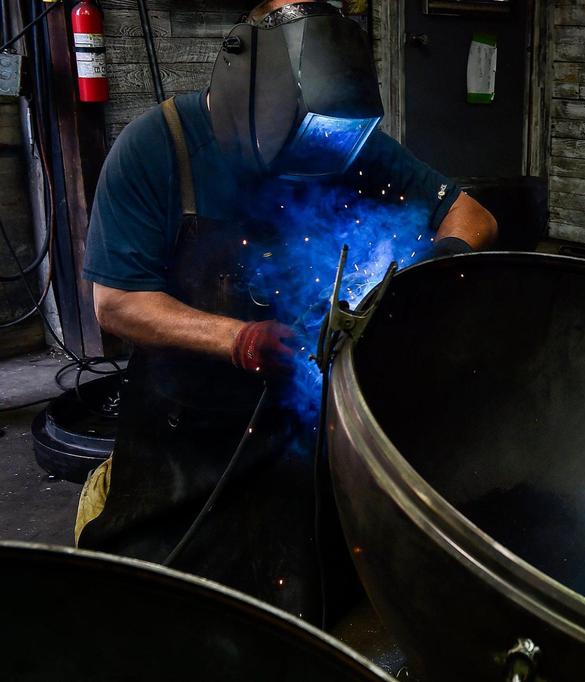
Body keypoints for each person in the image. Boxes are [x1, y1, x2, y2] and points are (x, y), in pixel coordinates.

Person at [74, 0, 496, 624]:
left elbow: (473, 217)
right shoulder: (158, 147)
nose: (314, 167)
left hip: (302, 430)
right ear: (249, 93)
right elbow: (116, 304)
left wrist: (420, 273)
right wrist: (241, 339)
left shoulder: (340, 140)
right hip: (186, 434)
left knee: (335, 580)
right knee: (165, 607)